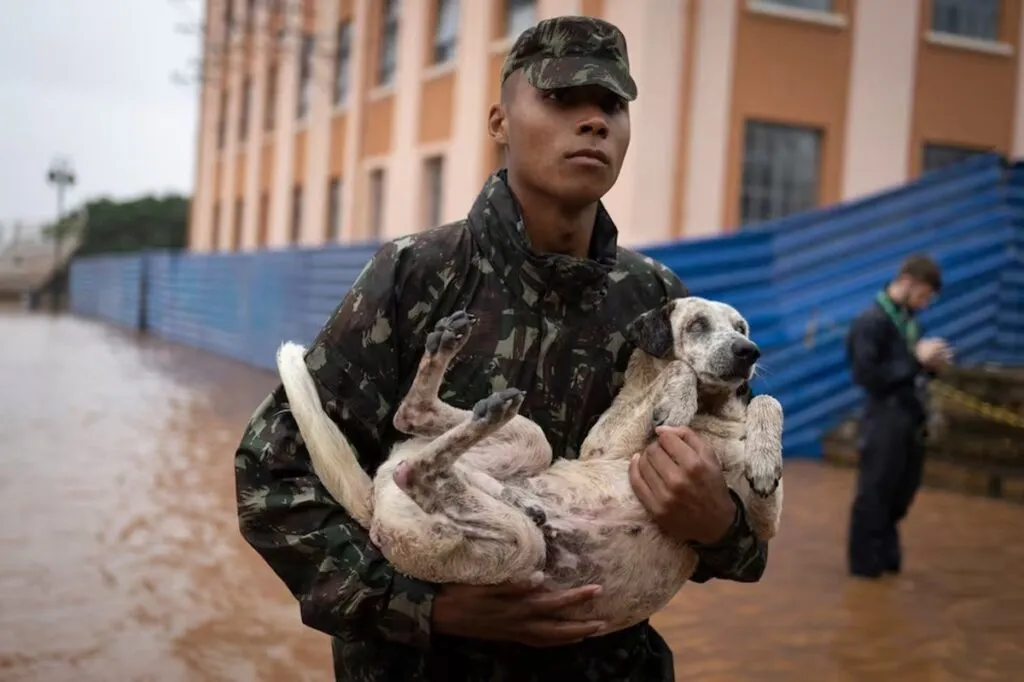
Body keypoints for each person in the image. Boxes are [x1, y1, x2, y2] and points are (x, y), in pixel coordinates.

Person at [234, 16, 768, 682]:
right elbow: (272, 473)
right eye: (562, 98)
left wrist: (719, 521)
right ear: (499, 122)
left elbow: (748, 529)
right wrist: (424, 608)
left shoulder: (661, 303)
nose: (594, 122)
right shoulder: (417, 276)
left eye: (610, 105)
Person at [845, 253, 952, 579]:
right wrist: (916, 360)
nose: (925, 303)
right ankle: (865, 564)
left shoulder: (906, 320)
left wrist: (929, 366)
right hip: (884, 416)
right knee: (875, 489)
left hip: (909, 416)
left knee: (903, 489)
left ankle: (886, 550)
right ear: (907, 282)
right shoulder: (872, 321)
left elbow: (909, 371)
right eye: (923, 295)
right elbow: (867, 374)